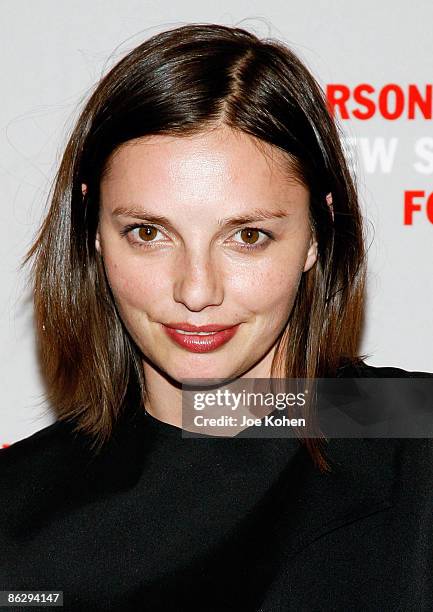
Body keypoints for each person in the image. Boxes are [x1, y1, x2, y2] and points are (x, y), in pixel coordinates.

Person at [1, 23, 432, 612]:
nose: (197, 290)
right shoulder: (18, 509)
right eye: (148, 233)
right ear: (93, 230)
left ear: (316, 234)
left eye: (248, 236)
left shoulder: (418, 438)